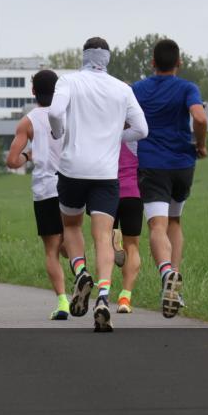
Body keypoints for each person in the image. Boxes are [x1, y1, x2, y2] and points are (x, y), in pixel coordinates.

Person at [47, 37, 148, 333]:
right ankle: (103, 295)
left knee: (72, 226)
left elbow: (54, 113)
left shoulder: (69, 81)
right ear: (107, 59)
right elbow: (142, 129)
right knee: (104, 237)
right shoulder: (122, 89)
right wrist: (116, 137)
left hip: (72, 168)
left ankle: (80, 272)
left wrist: (59, 132)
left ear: (84, 56)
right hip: (106, 172)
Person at [131, 38, 208, 318]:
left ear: (152, 62)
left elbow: (124, 121)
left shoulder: (138, 89)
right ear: (179, 63)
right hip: (182, 164)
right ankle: (175, 283)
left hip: (151, 164)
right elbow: (199, 118)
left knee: (156, 225)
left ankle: (166, 275)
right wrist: (200, 144)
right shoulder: (188, 88)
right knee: (174, 221)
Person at [5, 69, 71, 320]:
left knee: (52, 249)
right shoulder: (68, 115)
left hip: (45, 189)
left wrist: (29, 155)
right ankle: (82, 272)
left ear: (33, 91)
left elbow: (12, 161)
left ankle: (63, 302)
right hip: (70, 184)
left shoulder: (27, 122)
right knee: (71, 239)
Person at [112, 141, 143, 314]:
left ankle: (114, 243)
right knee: (132, 246)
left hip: (107, 193)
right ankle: (125, 297)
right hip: (133, 191)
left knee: (104, 241)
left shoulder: (106, 127)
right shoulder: (138, 132)